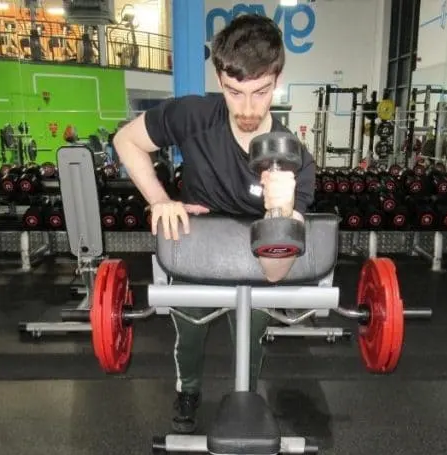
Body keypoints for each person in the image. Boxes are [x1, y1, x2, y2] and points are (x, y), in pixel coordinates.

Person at [111, 14, 316, 433]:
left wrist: (281, 211)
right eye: (233, 92)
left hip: (255, 263)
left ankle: (247, 394)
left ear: (277, 78)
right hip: (196, 248)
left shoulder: (296, 161)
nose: (246, 108)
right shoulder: (194, 115)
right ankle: (189, 391)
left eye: (260, 92)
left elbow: (276, 273)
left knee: (251, 337)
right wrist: (160, 200)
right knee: (188, 335)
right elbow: (125, 141)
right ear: (219, 77)